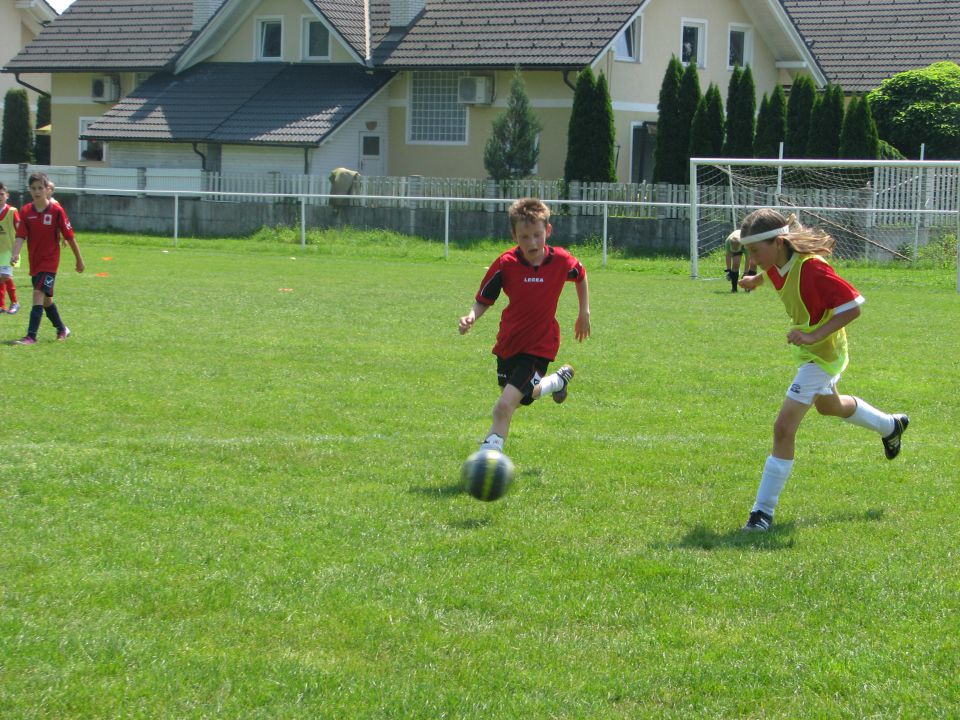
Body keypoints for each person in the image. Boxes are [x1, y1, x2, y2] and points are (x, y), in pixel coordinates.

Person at [736, 209, 908, 532]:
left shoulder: (813, 269)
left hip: (823, 353)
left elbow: (852, 307)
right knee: (829, 406)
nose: (752, 258)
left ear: (779, 242)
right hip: (811, 351)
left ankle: (762, 513)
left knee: (783, 428)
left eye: (755, 251)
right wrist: (755, 280)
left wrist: (814, 335)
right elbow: (771, 274)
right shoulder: (775, 261)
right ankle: (891, 426)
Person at [458, 198, 591, 453]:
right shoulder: (506, 264)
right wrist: (472, 316)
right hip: (509, 343)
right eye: (525, 236)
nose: (532, 242)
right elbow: (485, 298)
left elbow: (580, 274)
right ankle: (558, 382)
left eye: (537, 235)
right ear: (514, 235)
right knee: (520, 399)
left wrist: (584, 311)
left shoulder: (561, 260)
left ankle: (489, 455)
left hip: (540, 346)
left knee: (503, 406)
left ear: (547, 232)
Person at [10, 172, 85, 344]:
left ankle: (31, 336)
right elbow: (21, 235)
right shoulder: (26, 211)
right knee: (46, 300)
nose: (37, 191)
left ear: (47, 189)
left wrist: (79, 259)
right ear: (29, 190)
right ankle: (62, 329)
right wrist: (16, 253)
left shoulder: (56, 210)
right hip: (35, 262)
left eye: (40, 188)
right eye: (33, 188)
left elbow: (69, 236)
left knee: (37, 294)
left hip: (50, 262)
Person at [0, 182, 20, 314]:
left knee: (5, 275)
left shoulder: (12, 211)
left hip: (9, 250)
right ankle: (2, 305)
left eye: (2, 194)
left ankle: (15, 302)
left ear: (7, 195)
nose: (0, 197)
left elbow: (20, 229)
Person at [724, 228, 757, 293]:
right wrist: (729, 270)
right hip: (738, 243)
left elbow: (748, 259)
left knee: (753, 264)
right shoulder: (728, 242)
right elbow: (728, 256)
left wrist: (746, 273)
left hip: (746, 243)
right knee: (736, 264)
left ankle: (748, 287)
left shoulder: (747, 243)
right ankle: (734, 289)